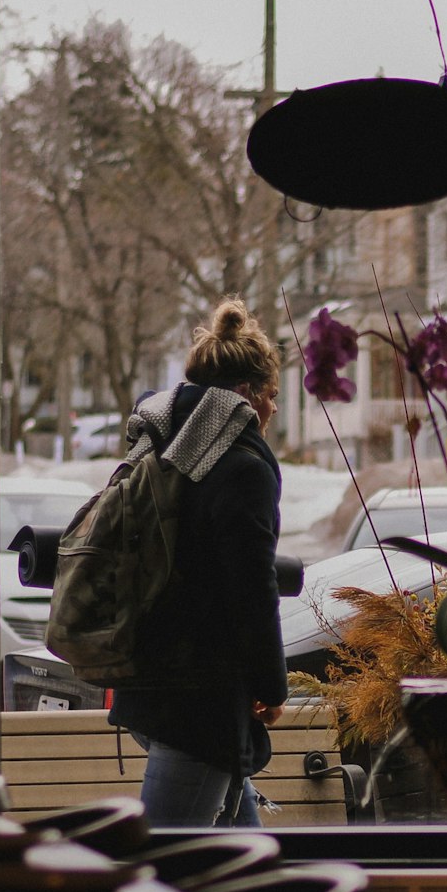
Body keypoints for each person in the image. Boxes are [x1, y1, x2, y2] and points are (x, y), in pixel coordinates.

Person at [108, 296, 287, 828]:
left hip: (150, 677)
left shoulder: (160, 443)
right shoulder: (241, 468)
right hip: (199, 700)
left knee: (248, 865)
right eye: (272, 396)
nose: (273, 410)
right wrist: (270, 686)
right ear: (246, 395)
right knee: (164, 864)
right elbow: (253, 588)